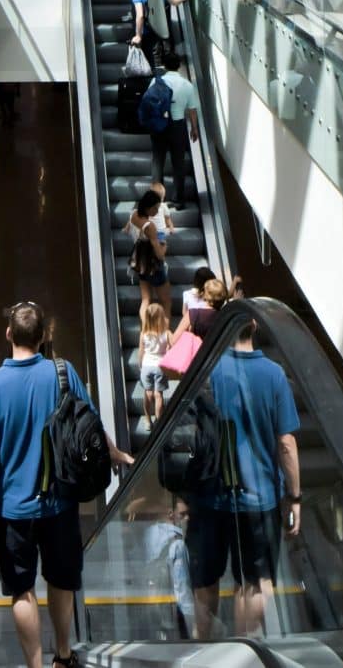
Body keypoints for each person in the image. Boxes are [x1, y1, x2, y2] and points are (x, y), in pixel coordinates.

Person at [0, 301, 131, 668]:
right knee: (61, 581)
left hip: (12, 510)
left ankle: (34, 665)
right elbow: (88, 424)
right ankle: (62, 655)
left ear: (8, 334)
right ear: (43, 337)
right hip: (59, 503)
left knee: (22, 591)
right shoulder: (63, 372)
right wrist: (117, 454)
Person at [188, 315, 301, 640]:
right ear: (255, 325)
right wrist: (294, 498)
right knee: (253, 583)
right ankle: (243, 649)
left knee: (205, 580)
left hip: (209, 496)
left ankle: (203, 646)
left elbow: (188, 435)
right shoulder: (274, 375)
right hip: (259, 500)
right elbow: (286, 444)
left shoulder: (206, 371)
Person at [151, 50, 200, 203]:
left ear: (164, 65)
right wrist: (194, 128)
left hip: (159, 124)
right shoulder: (187, 85)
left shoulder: (156, 82)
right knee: (178, 162)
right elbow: (192, 109)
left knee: (158, 161)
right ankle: (178, 199)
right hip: (178, 125)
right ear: (178, 66)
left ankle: (156, 199)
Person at [128, 187, 172, 321]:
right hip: (153, 265)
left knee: (146, 300)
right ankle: (164, 334)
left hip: (141, 263)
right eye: (155, 208)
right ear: (148, 207)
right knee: (166, 302)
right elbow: (159, 255)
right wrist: (164, 247)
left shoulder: (134, 215)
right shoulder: (150, 227)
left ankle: (145, 330)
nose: (158, 211)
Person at [138, 300, 170, 430]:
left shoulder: (143, 334)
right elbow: (169, 349)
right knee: (158, 395)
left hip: (146, 366)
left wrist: (140, 365)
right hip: (160, 366)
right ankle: (159, 422)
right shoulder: (166, 334)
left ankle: (147, 420)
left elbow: (141, 352)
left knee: (148, 393)